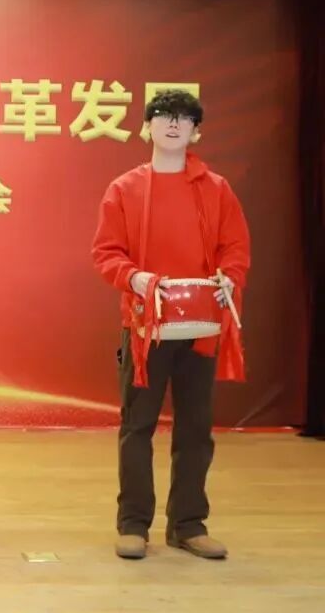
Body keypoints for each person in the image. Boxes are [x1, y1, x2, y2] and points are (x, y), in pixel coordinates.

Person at [91, 89, 250, 559]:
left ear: (196, 132)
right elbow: (106, 252)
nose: (173, 123)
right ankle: (133, 524)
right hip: (145, 327)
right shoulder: (124, 188)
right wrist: (133, 277)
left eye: (184, 117)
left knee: (195, 428)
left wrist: (229, 277)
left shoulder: (216, 188)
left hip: (200, 327)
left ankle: (188, 524)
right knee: (137, 426)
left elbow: (235, 247)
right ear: (147, 128)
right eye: (163, 115)